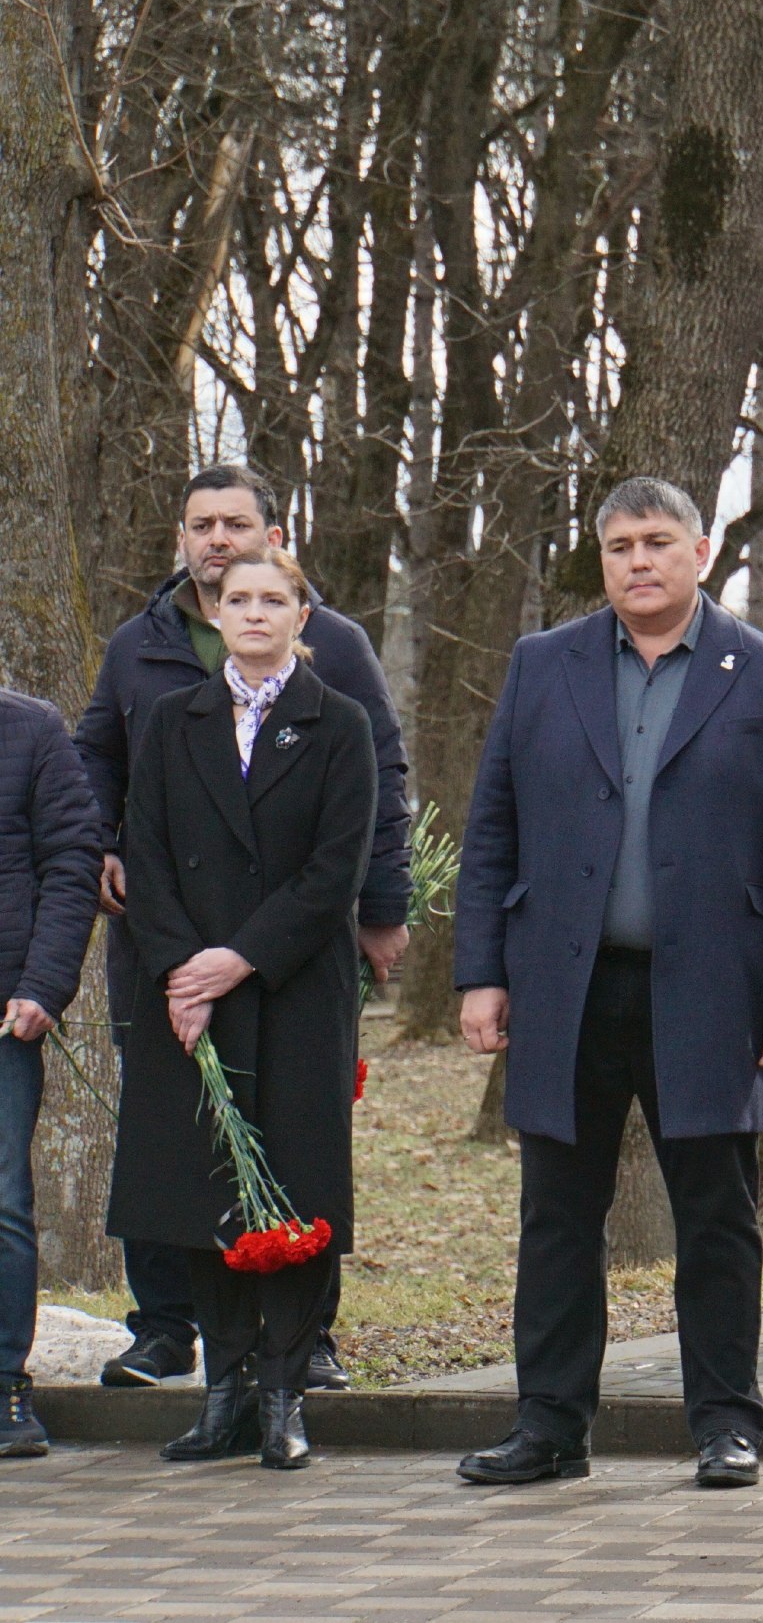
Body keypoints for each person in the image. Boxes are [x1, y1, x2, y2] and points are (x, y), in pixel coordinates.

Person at [451, 477, 763, 1491]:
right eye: (619, 545)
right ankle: (548, 1425)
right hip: (565, 987)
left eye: (657, 542)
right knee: (555, 1215)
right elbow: (492, 827)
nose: (637, 562)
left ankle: (724, 1423)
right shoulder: (545, 665)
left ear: (701, 553)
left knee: (715, 1215)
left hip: (711, 988)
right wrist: (480, 975)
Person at [75, 463, 412, 1394]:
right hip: (167, 939)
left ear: (274, 538)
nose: (217, 539)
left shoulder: (335, 651)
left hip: (289, 953)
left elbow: (377, 786)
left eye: (235, 523)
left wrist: (381, 909)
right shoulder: (137, 649)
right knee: (176, 1141)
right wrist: (106, 853)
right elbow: (99, 759)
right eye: (200, 525)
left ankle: (306, 1341)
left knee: (297, 1142)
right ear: (182, 542)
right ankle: (167, 1329)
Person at [110, 547, 376, 1471]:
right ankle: (220, 1392)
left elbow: (334, 870)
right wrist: (183, 970)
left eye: (275, 601)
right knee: (204, 1185)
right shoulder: (174, 724)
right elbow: (144, 851)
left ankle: (282, 1394)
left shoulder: (337, 723)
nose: (255, 613)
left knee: (294, 1186)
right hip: (187, 996)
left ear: (303, 618)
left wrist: (237, 959)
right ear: (215, 613)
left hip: (293, 989)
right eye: (238, 600)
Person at [0, 688, 105, 1459]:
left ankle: (5, 1386)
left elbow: (71, 863)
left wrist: (43, 985)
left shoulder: (31, 731)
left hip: (5, 1014)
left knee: (3, 1202)